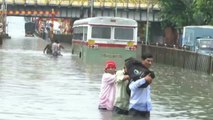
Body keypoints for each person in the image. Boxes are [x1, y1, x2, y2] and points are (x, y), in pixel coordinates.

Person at [128, 52, 155, 119]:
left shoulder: (148, 73)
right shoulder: (136, 72)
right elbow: (131, 87)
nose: (150, 63)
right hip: (135, 110)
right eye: (148, 61)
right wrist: (144, 79)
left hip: (146, 110)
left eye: (151, 61)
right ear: (142, 60)